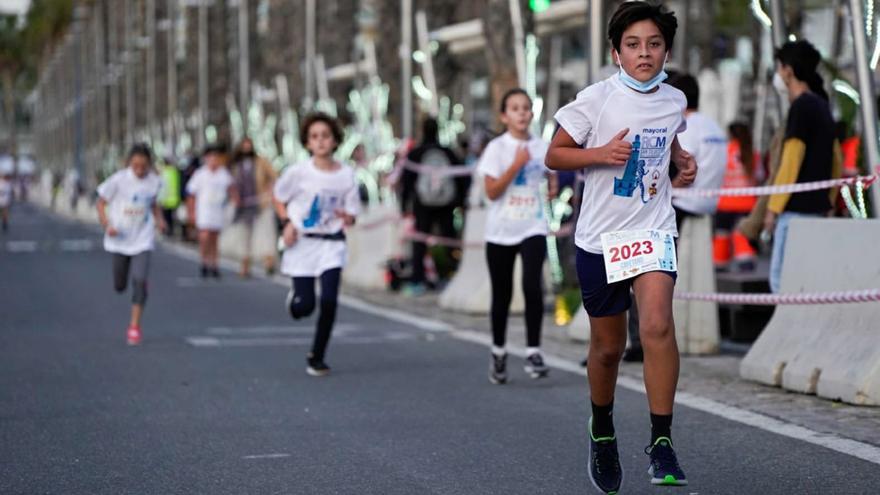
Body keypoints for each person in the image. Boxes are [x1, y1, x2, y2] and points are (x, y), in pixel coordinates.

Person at [547, 2, 697, 491]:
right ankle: (603, 428)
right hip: (600, 240)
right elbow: (554, 154)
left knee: (656, 325)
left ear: (666, 50)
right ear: (616, 52)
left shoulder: (674, 100)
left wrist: (681, 161)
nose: (644, 53)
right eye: (633, 45)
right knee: (608, 349)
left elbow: (668, 142)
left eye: (653, 44)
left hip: (653, 230)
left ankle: (661, 441)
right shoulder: (595, 99)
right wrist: (597, 154)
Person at [624, 71, 728, 363]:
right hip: (708, 204)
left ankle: (638, 341)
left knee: (641, 268)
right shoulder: (713, 126)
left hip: (680, 203)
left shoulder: (685, 127)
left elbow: (678, 170)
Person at [273, 113, 360, 377]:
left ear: (335, 141)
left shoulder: (347, 174)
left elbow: (353, 213)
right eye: (314, 137)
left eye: (325, 136)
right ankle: (296, 301)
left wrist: (347, 217)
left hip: (331, 245)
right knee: (305, 307)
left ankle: (317, 355)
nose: (320, 141)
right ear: (307, 143)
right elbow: (278, 198)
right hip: (303, 245)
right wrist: (287, 222)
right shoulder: (298, 173)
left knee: (330, 301)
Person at [478, 88, 553, 385]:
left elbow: (551, 174)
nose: (521, 113)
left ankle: (533, 351)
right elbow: (492, 191)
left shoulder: (542, 146)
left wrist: (553, 184)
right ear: (504, 116)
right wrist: (516, 165)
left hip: (532, 226)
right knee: (503, 293)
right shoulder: (496, 148)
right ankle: (498, 351)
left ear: (531, 114)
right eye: (515, 108)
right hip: (500, 230)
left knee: (533, 285)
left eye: (526, 108)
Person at [764, 40, 841, 293]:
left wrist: (773, 209)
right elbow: (836, 161)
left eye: (779, 67)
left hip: (795, 212)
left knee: (781, 283)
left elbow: (791, 161)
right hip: (818, 209)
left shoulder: (801, 107)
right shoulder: (822, 105)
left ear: (788, 70)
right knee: (806, 285)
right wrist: (828, 200)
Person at [95, 144, 166, 345]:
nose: (139, 170)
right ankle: (137, 285)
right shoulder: (118, 180)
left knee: (140, 280)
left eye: (144, 166)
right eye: (136, 165)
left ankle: (134, 326)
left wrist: (159, 220)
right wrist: (106, 224)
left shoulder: (154, 182)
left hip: (142, 237)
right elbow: (100, 202)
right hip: (119, 238)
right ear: (129, 163)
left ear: (149, 164)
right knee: (120, 285)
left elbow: (153, 203)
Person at [401, 118, 469, 293]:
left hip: (422, 204)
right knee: (450, 239)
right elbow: (461, 178)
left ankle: (418, 279)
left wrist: (404, 206)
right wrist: (461, 203)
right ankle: (452, 275)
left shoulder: (415, 153)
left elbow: (406, 182)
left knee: (420, 243)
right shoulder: (447, 152)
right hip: (446, 204)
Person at [714, 122, 761, 271]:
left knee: (722, 235)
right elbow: (760, 175)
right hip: (747, 203)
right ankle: (745, 263)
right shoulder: (752, 153)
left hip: (725, 202)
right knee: (742, 235)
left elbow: (717, 175)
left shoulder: (723, 151)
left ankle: (720, 263)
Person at [229, 137, 278, 277]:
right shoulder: (236, 165)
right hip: (243, 205)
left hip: (261, 203)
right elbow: (231, 184)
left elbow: (274, 177)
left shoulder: (261, 162)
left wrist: (269, 193)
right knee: (244, 236)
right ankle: (245, 265)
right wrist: (235, 198)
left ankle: (269, 262)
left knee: (265, 234)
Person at [186, 143, 237, 278]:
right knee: (204, 236)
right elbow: (191, 194)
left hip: (218, 211)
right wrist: (191, 213)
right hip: (203, 211)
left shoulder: (223, 174)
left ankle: (214, 264)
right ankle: (204, 261)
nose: (214, 160)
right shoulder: (200, 174)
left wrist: (235, 203)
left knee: (214, 238)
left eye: (216, 157)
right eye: (211, 157)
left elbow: (232, 189)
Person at [157, 155, 182, 237]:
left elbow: (162, 187)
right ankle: (170, 230)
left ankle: (167, 230)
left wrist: (160, 199)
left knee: (166, 216)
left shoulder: (164, 172)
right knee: (171, 217)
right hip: (174, 198)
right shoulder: (174, 171)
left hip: (166, 199)